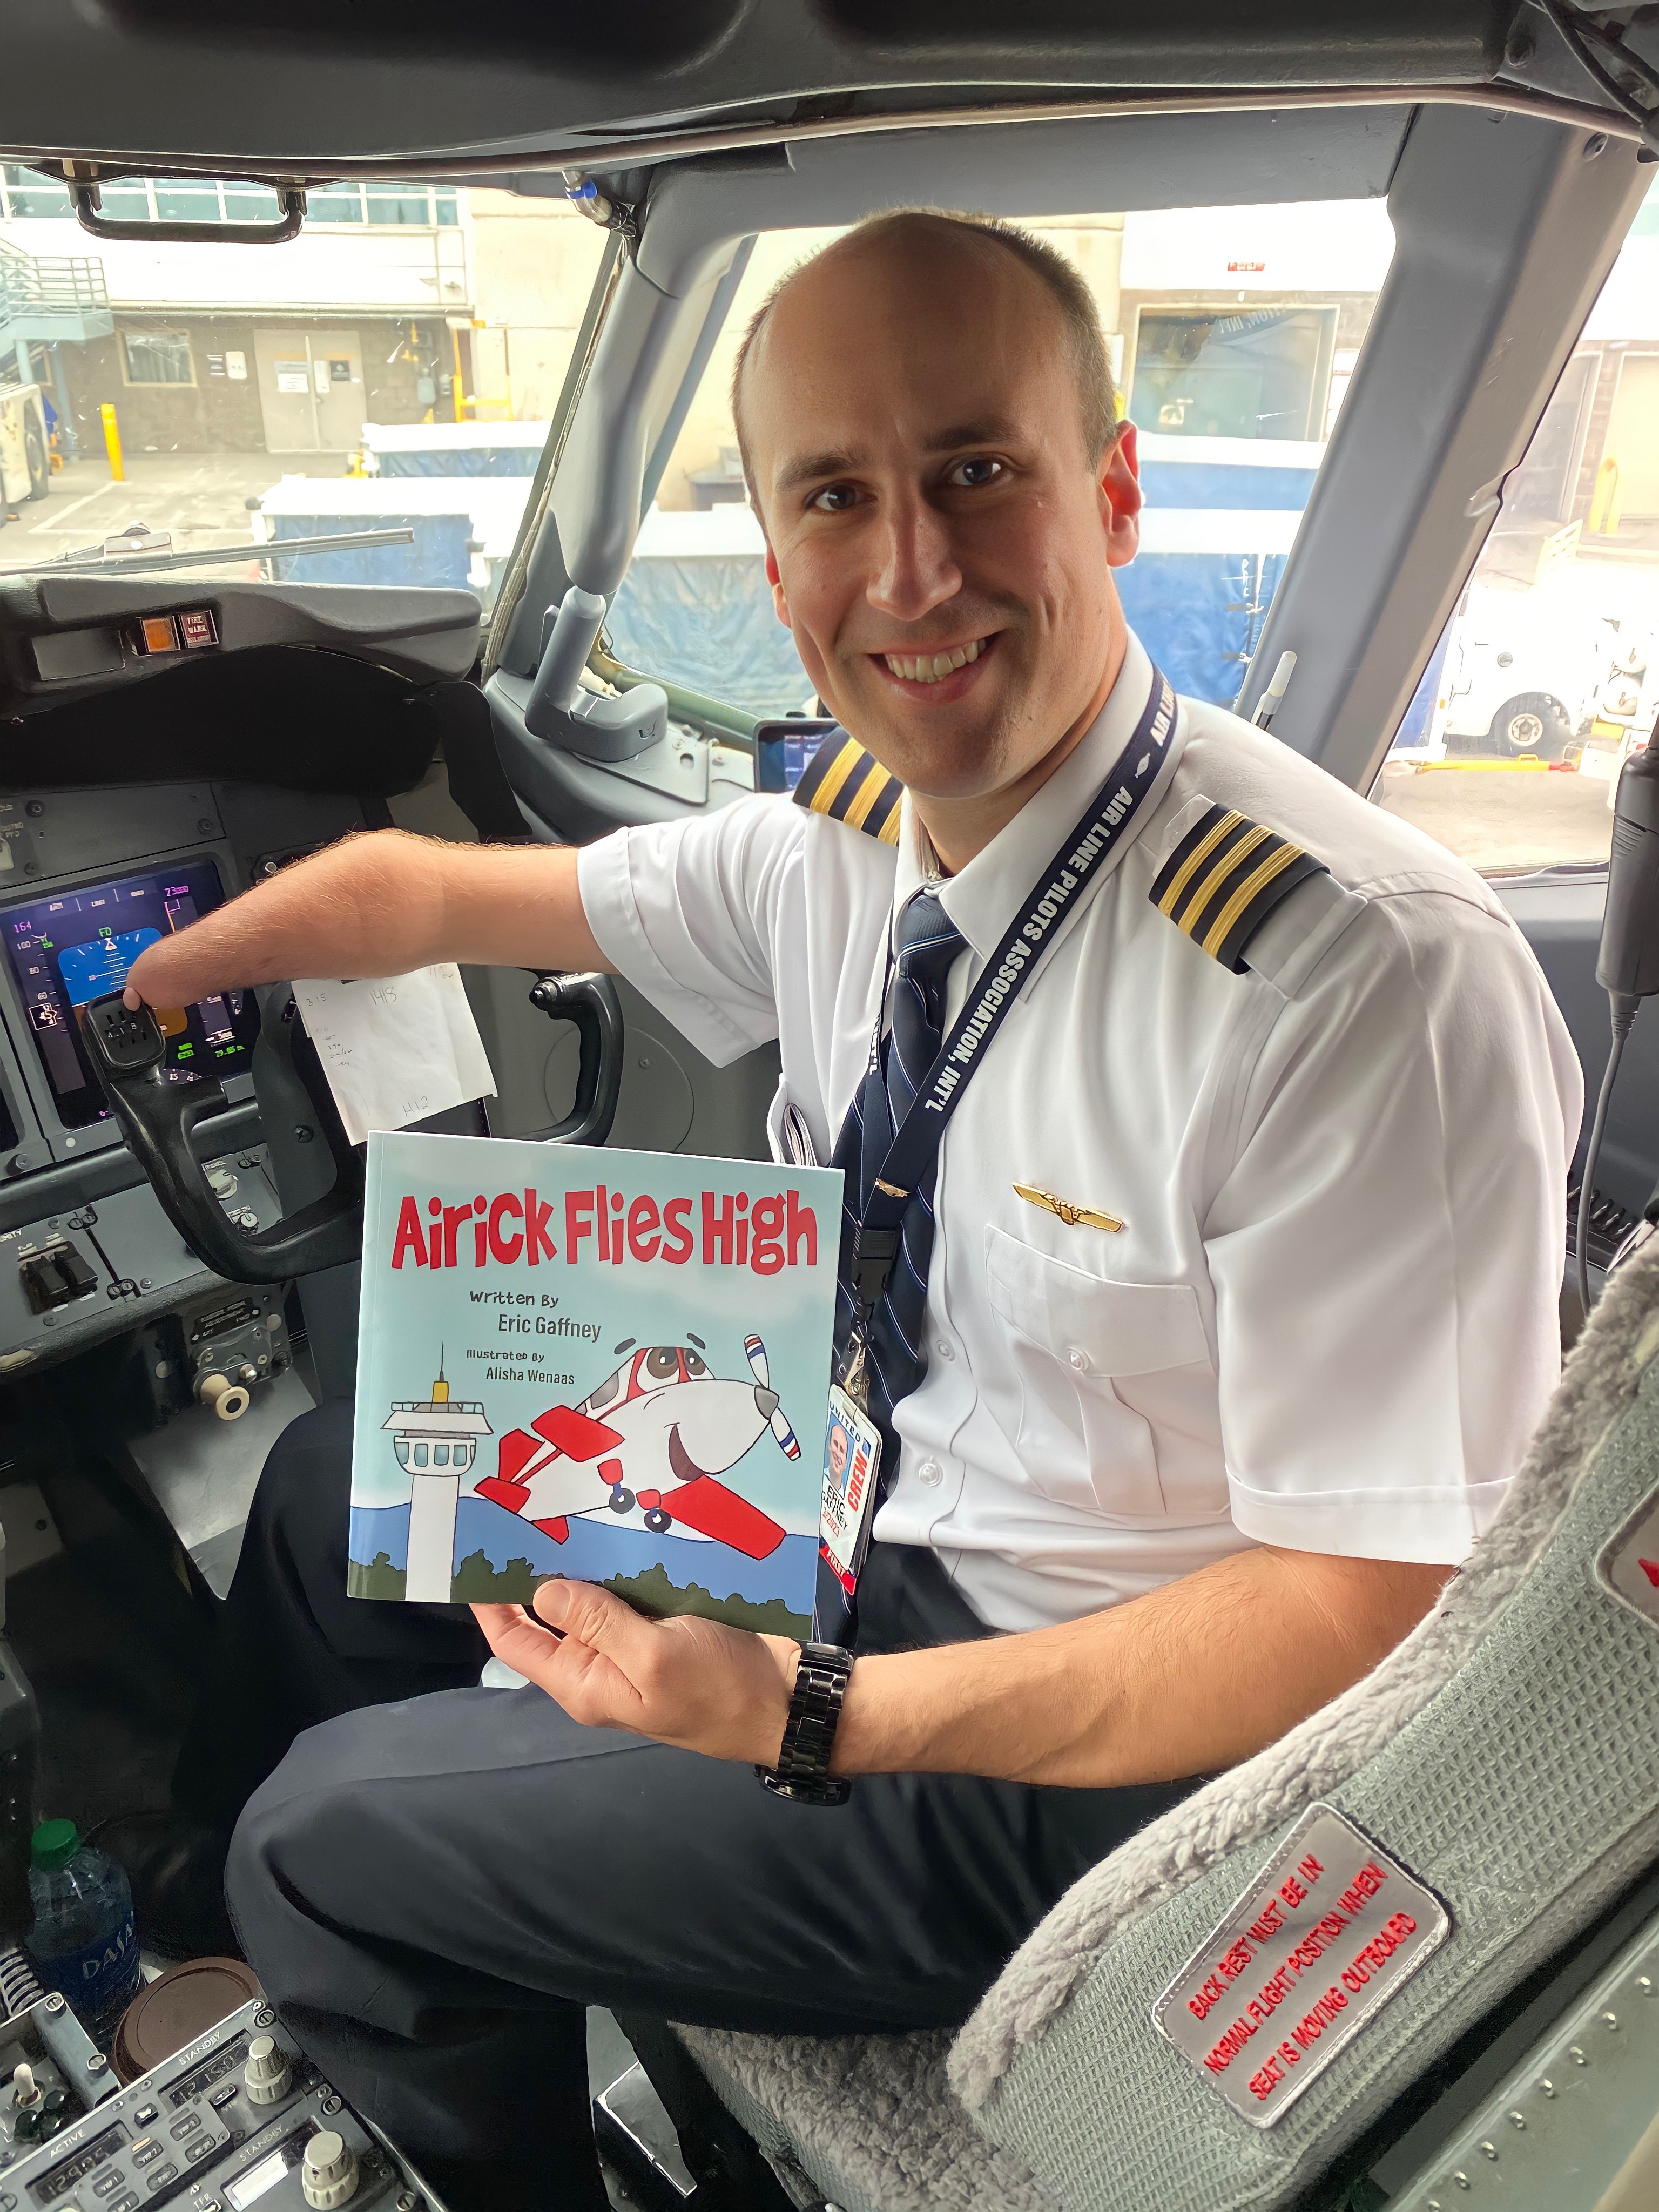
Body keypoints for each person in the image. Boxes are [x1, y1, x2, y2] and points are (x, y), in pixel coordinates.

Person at [114, 209, 1580, 2210]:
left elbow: (1365, 1606)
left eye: (980, 471)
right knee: (323, 1492)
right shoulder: (855, 837)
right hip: (861, 1513)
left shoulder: (1356, 977)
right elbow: (452, 897)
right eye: (838, 495)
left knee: (334, 1840)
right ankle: (229, 1938)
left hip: (1101, 1750)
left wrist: (822, 1714)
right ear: (782, 563)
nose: (915, 569)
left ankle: (390, 1987)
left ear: (1114, 492)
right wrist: (148, 981)